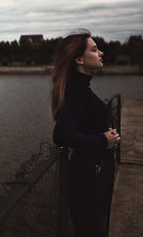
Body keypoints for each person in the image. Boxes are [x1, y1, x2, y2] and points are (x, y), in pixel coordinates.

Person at [51, 29, 120, 237]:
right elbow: (62, 133)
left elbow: (84, 123)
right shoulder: (77, 91)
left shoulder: (81, 88)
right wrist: (102, 140)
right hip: (90, 178)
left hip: (94, 173)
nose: (101, 53)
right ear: (79, 59)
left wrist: (105, 134)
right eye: (94, 49)